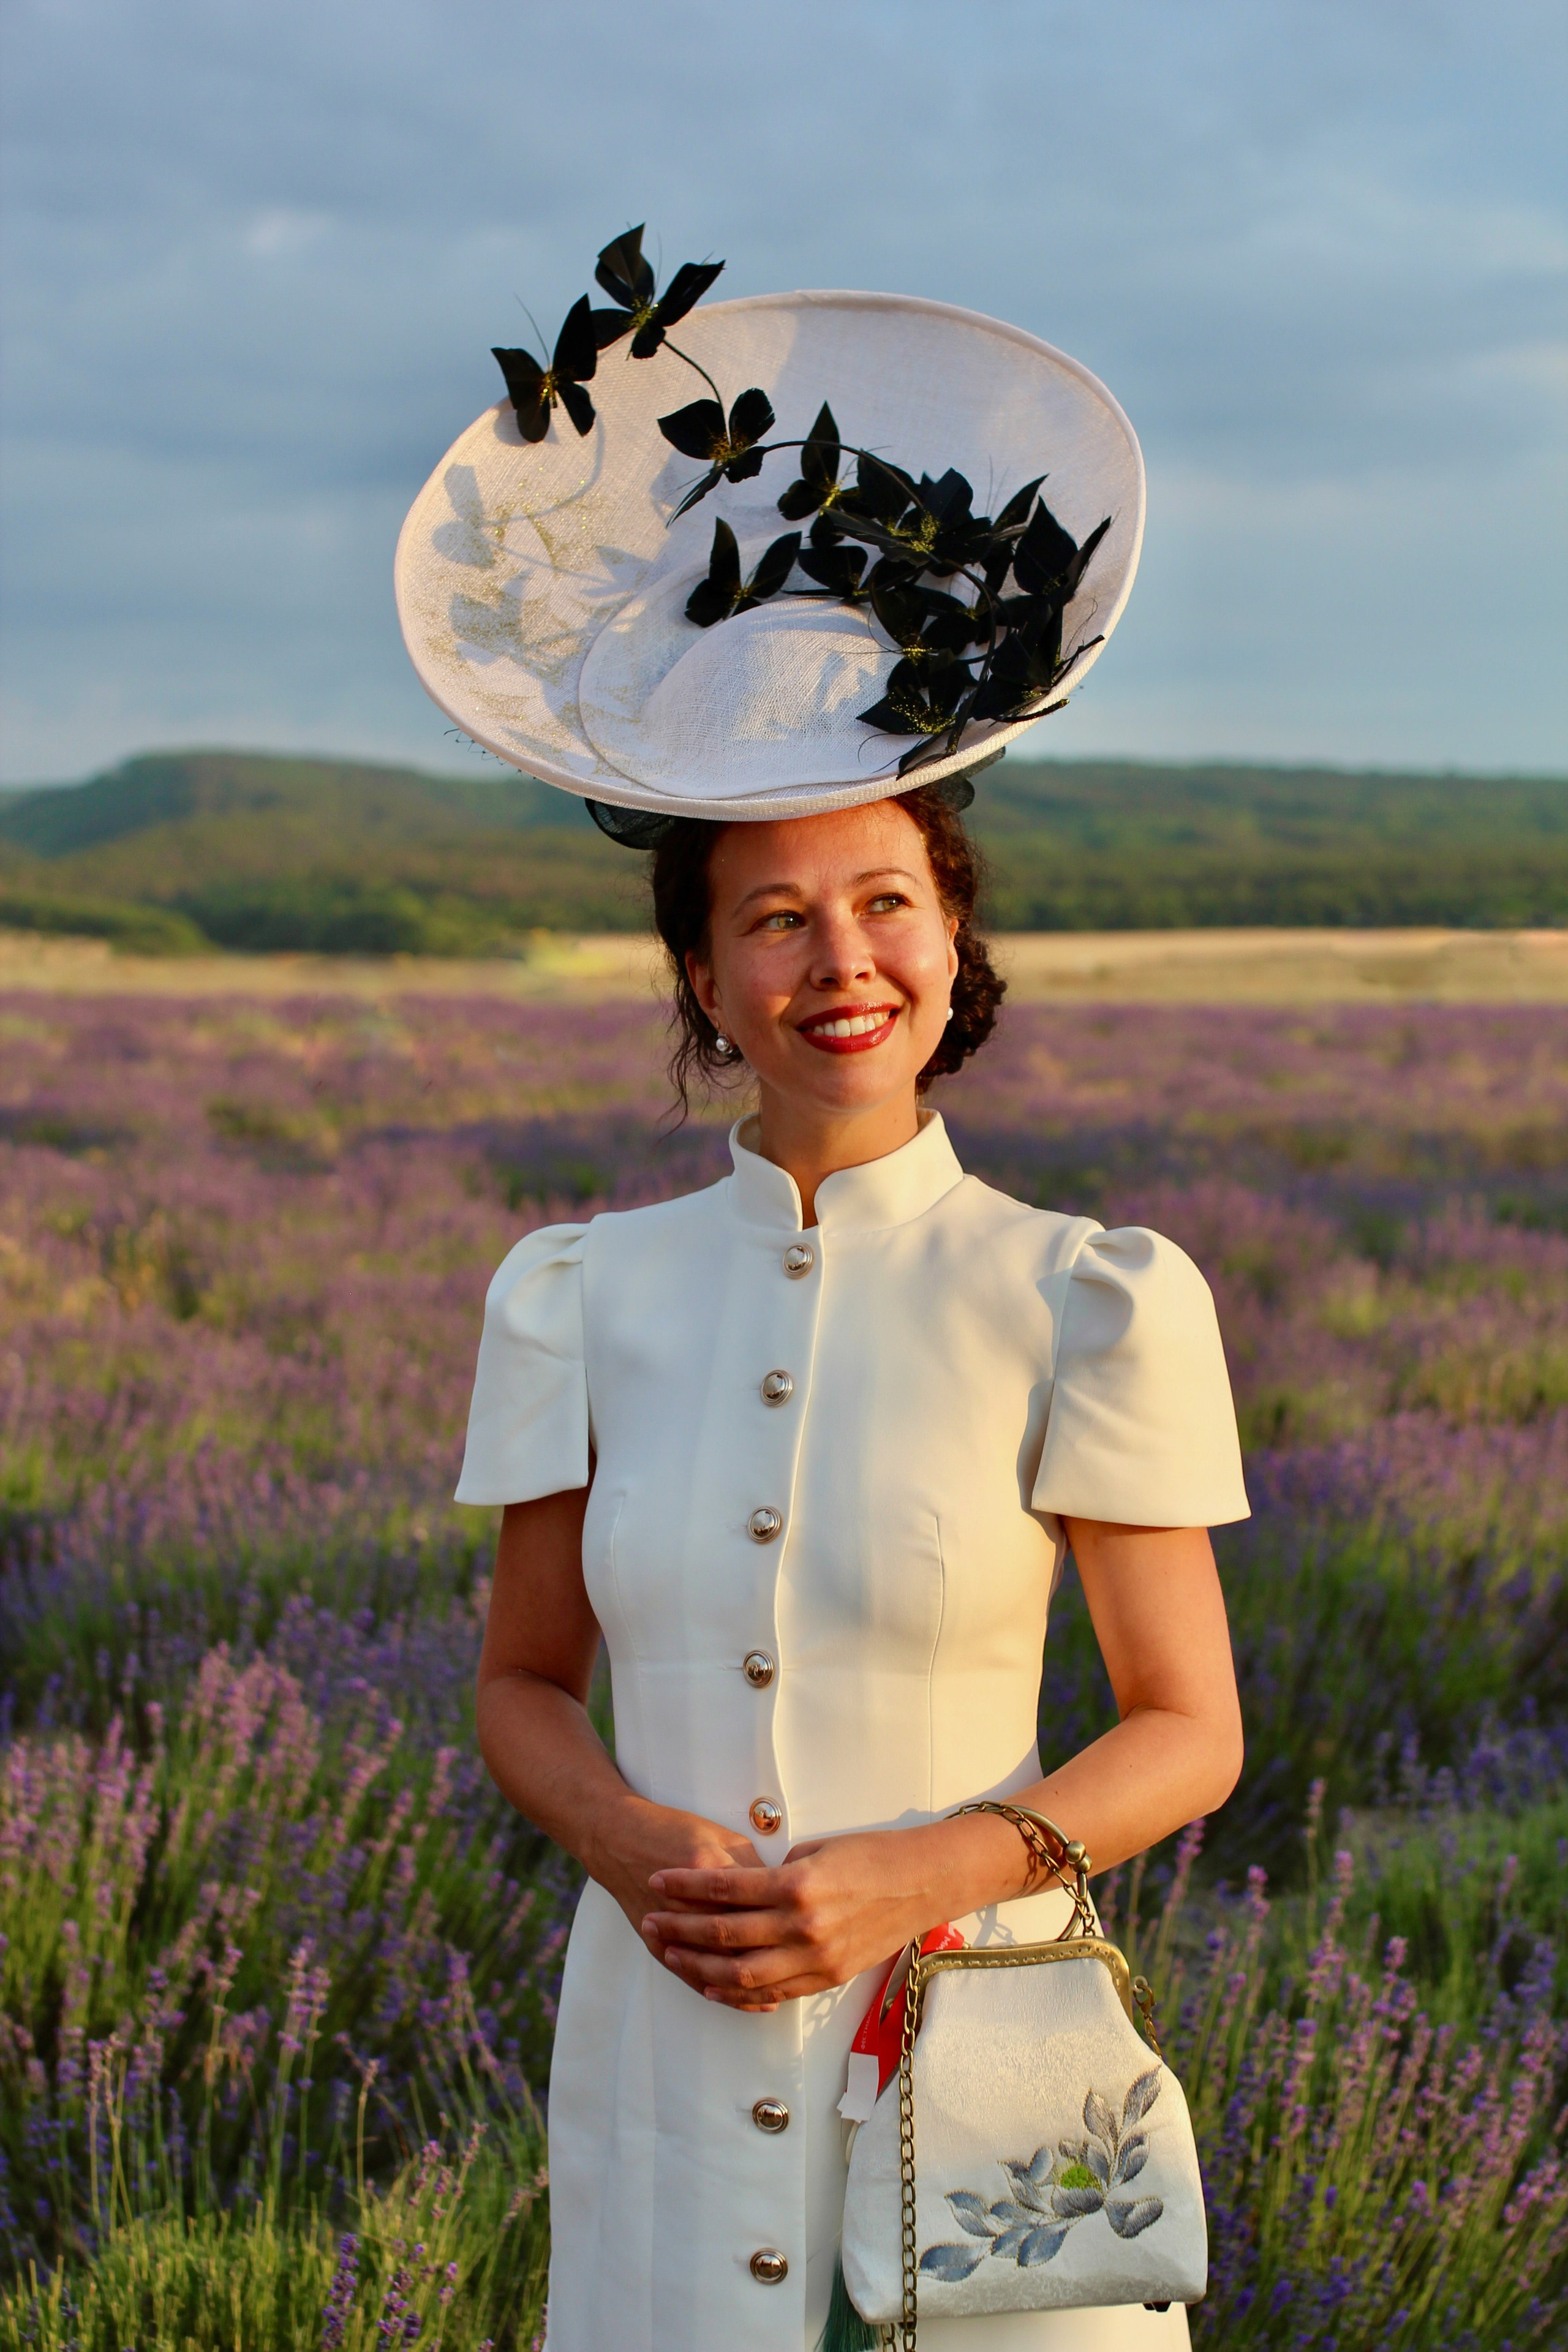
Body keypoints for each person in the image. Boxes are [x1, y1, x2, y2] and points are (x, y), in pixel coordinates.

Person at [398, 236, 1250, 2350]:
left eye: (885, 901)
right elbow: (523, 1685)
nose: (837, 959)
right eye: (774, 918)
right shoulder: (573, 1296)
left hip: (984, 2068)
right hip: (666, 2064)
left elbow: (1189, 1730)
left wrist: (925, 1869)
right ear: (702, 972)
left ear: (952, 942)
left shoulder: (1095, 1298)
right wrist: (618, 1834)